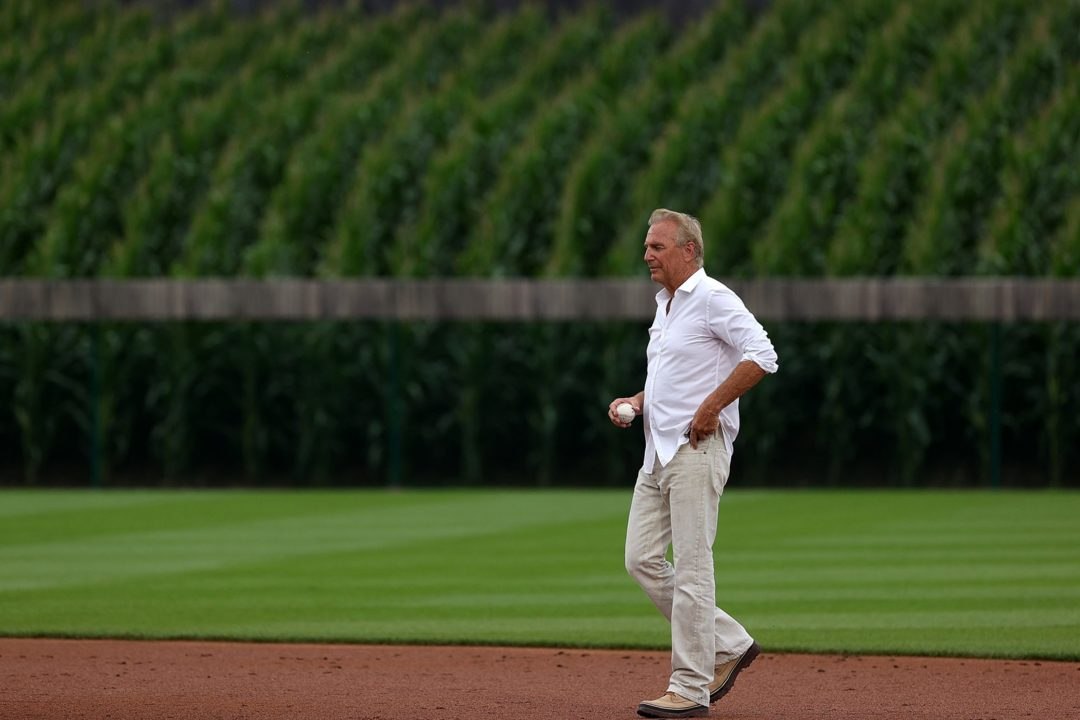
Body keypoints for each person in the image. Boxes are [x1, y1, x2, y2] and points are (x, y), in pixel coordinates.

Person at [608, 208, 778, 718]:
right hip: (656, 454)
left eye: (657, 247)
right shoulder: (666, 306)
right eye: (646, 246)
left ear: (689, 250)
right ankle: (729, 642)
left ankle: (690, 688)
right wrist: (638, 402)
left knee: (693, 568)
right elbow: (672, 380)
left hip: (696, 451)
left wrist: (713, 406)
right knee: (640, 559)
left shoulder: (712, 298)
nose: (646, 255)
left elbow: (763, 354)